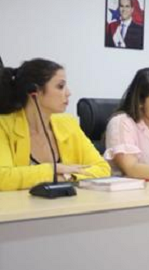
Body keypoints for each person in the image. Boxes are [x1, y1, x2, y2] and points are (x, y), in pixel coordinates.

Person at [1, 58, 110, 191]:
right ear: (34, 91)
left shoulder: (68, 124)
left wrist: (65, 177)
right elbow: (3, 178)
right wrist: (52, 169)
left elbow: (103, 169)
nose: (68, 93)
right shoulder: (4, 126)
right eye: (60, 86)